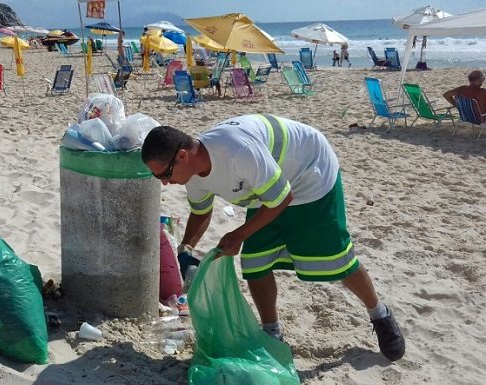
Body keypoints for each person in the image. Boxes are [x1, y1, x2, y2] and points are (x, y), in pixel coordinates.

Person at [141, 114, 406, 362]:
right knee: (256, 261)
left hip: (309, 173)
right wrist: (186, 248)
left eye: (163, 174)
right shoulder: (193, 175)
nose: (163, 183)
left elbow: (283, 198)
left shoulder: (237, 152)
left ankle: (380, 314)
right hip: (268, 186)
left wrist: (239, 234)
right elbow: (201, 213)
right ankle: (272, 332)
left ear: (183, 156)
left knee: (335, 258)